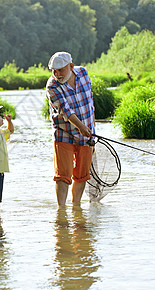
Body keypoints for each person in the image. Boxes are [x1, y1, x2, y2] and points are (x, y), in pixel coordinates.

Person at [45, 51, 95, 208]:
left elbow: (90, 101)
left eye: (61, 70)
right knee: (62, 176)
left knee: (82, 175)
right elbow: (66, 111)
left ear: (71, 66)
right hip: (63, 133)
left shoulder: (83, 72)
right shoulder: (52, 86)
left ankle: (76, 207)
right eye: (54, 70)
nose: (57, 74)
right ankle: (61, 210)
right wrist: (81, 127)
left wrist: (90, 128)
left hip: (87, 134)